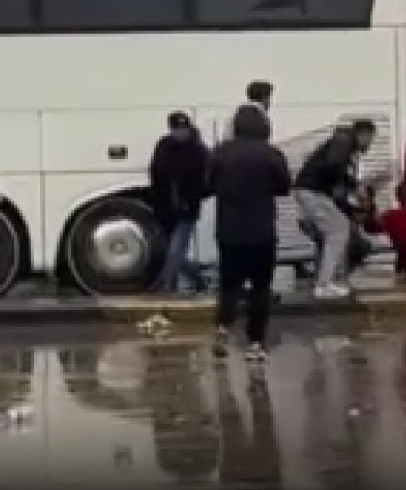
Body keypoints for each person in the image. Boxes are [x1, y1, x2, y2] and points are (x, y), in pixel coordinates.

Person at [206, 104, 292, 362]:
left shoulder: (220, 153)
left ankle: (222, 327)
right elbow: (284, 186)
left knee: (229, 284)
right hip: (261, 230)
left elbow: (207, 185)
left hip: (229, 230)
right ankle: (255, 342)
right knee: (260, 287)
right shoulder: (271, 154)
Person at [293, 119, 377, 299]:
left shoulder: (343, 142)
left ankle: (327, 281)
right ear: (364, 134)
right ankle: (324, 284)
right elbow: (334, 166)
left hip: (312, 191)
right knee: (338, 231)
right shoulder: (344, 140)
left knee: (337, 230)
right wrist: (351, 185)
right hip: (312, 191)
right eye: (370, 139)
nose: (370, 144)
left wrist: (350, 185)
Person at [148, 111, 210, 294]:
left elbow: (206, 178)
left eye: (183, 128)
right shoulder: (163, 146)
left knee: (175, 249)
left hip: (187, 207)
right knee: (171, 250)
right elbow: (156, 174)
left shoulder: (198, 150)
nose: (180, 132)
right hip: (165, 207)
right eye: (177, 128)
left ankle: (168, 287)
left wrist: (195, 196)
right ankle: (196, 277)